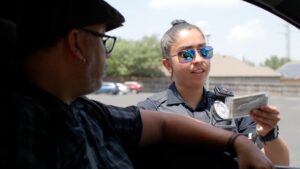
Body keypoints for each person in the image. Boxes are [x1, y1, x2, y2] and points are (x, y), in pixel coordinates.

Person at [1, 0, 274, 168]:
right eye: (102, 39)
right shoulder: (22, 125)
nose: (107, 53)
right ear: (76, 43)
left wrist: (240, 141)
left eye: (205, 50)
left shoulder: (87, 112)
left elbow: (163, 125)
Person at [137, 19, 289, 165]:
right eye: (186, 54)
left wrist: (269, 133)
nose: (198, 59)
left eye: (204, 51)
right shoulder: (150, 112)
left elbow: (279, 164)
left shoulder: (232, 107)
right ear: (168, 64)